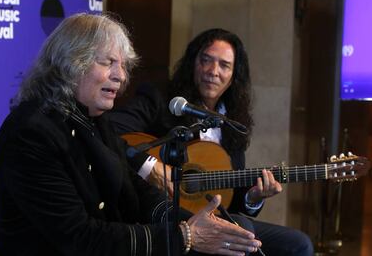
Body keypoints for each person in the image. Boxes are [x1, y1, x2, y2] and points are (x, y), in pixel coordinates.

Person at [0, 14, 263, 256]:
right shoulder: (31, 132)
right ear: (72, 63)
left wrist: (195, 223)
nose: (120, 76)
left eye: (122, 66)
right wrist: (186, 235)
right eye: (108, 63)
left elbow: (137, 191)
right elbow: (78, 237)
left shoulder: (95, 121)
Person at [109, 28, 314, 256]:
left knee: (299, 244)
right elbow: (109, 129)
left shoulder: (232, 122)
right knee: (239, 231)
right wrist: (150, 166)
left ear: (234, 76)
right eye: (205, 60)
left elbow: (229, 199)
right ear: (192, 64)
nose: (213, 71)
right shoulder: (161, 99)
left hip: (210, 216)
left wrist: (253, 197)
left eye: (224, 65)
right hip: (158, 211)